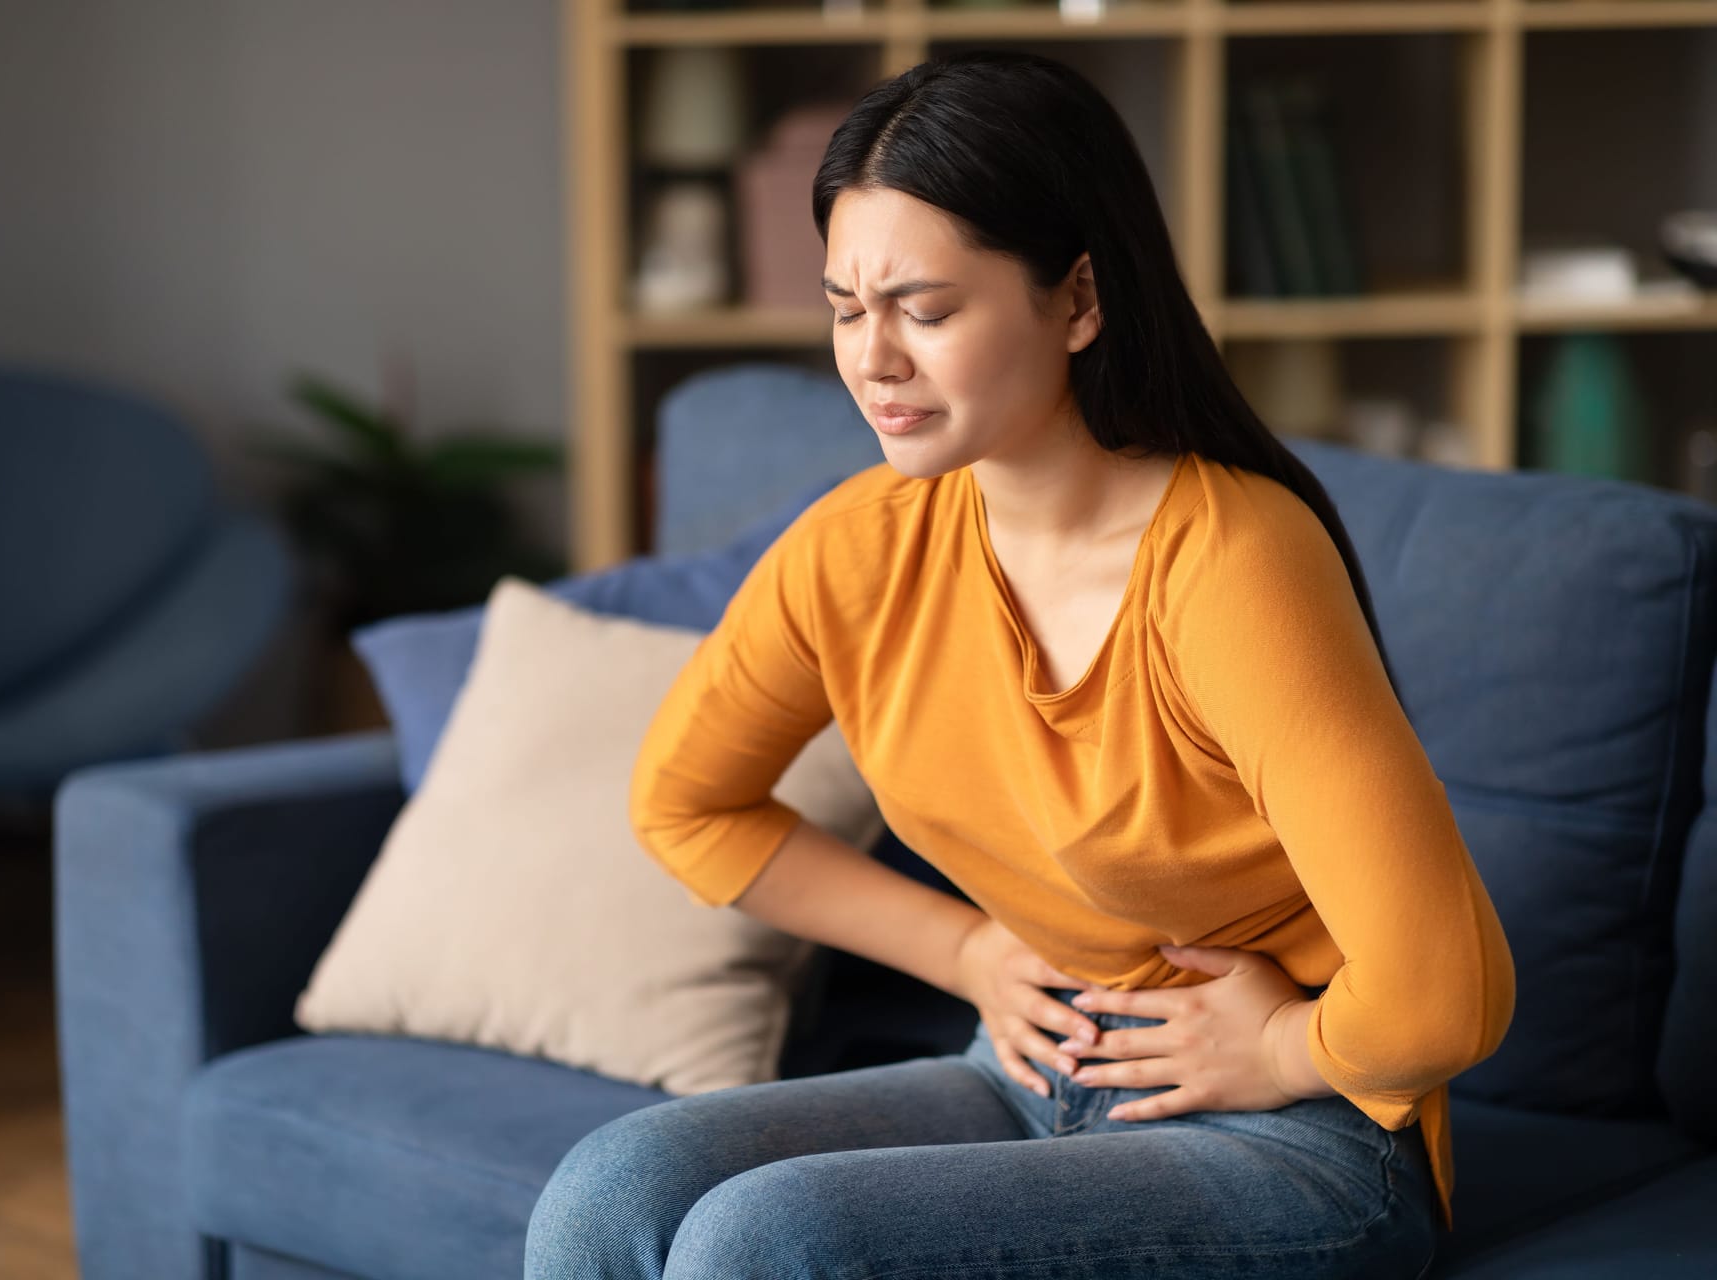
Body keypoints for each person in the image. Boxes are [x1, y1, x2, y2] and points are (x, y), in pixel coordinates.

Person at [524, 49, 1513, 1280]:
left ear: (1079, 300)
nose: (873, 360)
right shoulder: (857, 547)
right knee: (608, 1189)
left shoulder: (1231, 559)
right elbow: (684, 802)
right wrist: (968, 953)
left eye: (925, 310)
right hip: (1040, 1065)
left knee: (766, 1239)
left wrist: (1278, 1050)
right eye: (845, 308)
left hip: (1300, 1133)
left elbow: (1447, 992)